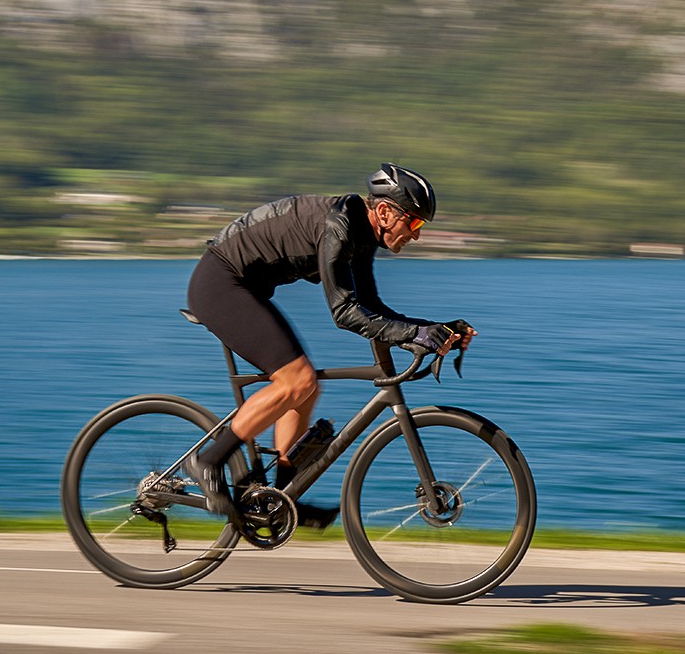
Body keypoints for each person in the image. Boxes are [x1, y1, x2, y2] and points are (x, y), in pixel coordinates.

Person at [184, 163, 476, 528]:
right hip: (220, 283)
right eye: (414, 223)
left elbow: (372, 308)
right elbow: (345, 312)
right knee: (297, 380)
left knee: (306, 388)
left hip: (247, 289)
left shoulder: (362, 235)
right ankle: (208, 461)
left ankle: (281, 496)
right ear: (385, 212)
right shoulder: (339, 226)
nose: (416, 236)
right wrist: (413, 335)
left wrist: (431, 329)